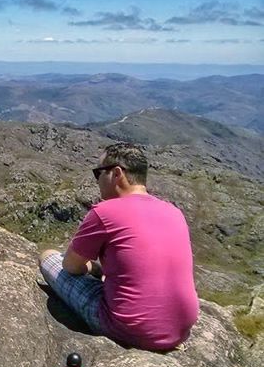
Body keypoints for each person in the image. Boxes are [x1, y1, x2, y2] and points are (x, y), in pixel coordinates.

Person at [38, 143, 200, 350]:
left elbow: (71, 267)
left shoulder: (105, 212)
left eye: (98, 173)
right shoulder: (174, 212)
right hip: (179, 331)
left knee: (49, 256)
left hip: (127, 328)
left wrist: (94, 269)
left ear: (116, 173)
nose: (97, 181)